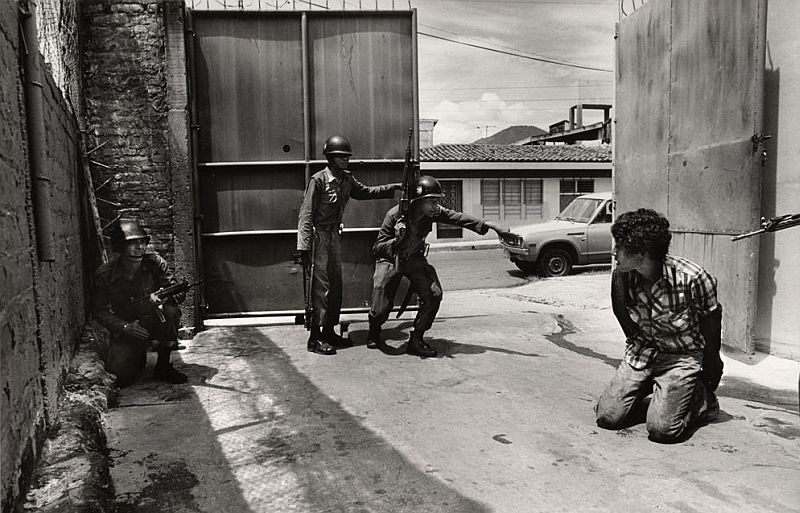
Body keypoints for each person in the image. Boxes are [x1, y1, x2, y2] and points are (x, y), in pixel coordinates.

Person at [595, 208, 723, 443]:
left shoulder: (693, 278)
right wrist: (635, 346)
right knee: (607, 417)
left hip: (680, 357)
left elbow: (712, 325)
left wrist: (712, 365)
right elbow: (622, 314)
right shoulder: (622, 276)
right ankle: (658, 394)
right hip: (643, 353)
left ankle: (701, 399)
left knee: (662, 430)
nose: (614, 252)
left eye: (620, 246)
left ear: (642, 251)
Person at [366, 175, 518, 357]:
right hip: (390, 259)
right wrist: (397, 240)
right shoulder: (394, 215)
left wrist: (491, 226)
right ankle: (374, 330)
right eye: (431, 201)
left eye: (437, 201)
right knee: (381, 305)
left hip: (414, 259)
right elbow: (377, 248)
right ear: (418, 201)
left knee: (434, 294)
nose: (435, 205)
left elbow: (458, 218)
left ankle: (417, 339)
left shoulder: (434, 212)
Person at [297, 135, 401, 355]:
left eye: (347, 156)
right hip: (318, 238)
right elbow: (305, 215)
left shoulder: (346, 179)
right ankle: (315, 338)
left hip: (334, 236)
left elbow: (365, 192)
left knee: (335, 286)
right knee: (321, 289)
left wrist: (392, 188)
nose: (345, 160)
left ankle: (329, 331)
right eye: (341, 157)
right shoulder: (319, 180)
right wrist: (303, 247)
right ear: (330, 158)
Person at [93, 219, 188, 386]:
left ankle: (163, 365)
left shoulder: (155, 263)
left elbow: (177, 293)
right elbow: (99, 310)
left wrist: (164, 297)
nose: (140, 247)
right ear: (120, 246)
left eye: (143, 241)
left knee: (171, 312)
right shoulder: (105, 274)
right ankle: (138, 352)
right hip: (128, 327)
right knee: (120, 376)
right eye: (133, 243)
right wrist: (124, 326)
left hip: (154, 321)